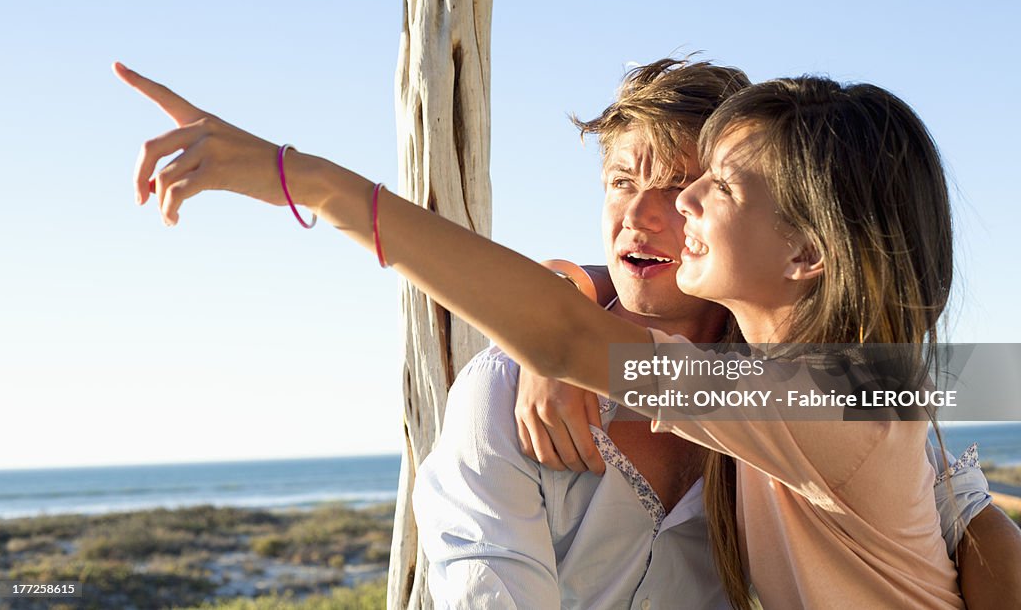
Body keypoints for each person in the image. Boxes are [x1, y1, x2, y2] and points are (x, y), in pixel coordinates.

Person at [116, 61, 1021, 607]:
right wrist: (580, 297)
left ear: (807, 255)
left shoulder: (819, 398)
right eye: (631, 183)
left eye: (711, 185)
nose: (673, 207)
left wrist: (303, 179)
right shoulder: (848, 382)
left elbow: (560, 336)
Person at [410, 60, 1012, 609]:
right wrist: (552, 308)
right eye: (621, 182)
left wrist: (557, 311)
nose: (641, 216)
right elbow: (487, 584)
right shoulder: (504, 387)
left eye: (685, 185)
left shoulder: (801, 381)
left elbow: (967, 518)